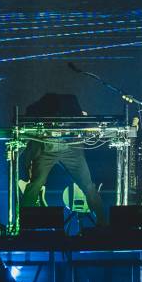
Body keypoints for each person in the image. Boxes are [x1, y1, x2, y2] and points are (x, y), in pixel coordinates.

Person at [18, 92, 106, 226]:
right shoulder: (41, 107)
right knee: (36, 183)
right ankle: (23, 222)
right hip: (47, 149)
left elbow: (85, 124)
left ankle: (103, 222)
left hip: (71, 149)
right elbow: (27, 122)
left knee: (87, 185)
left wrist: (87, 123)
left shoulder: (71, 105)